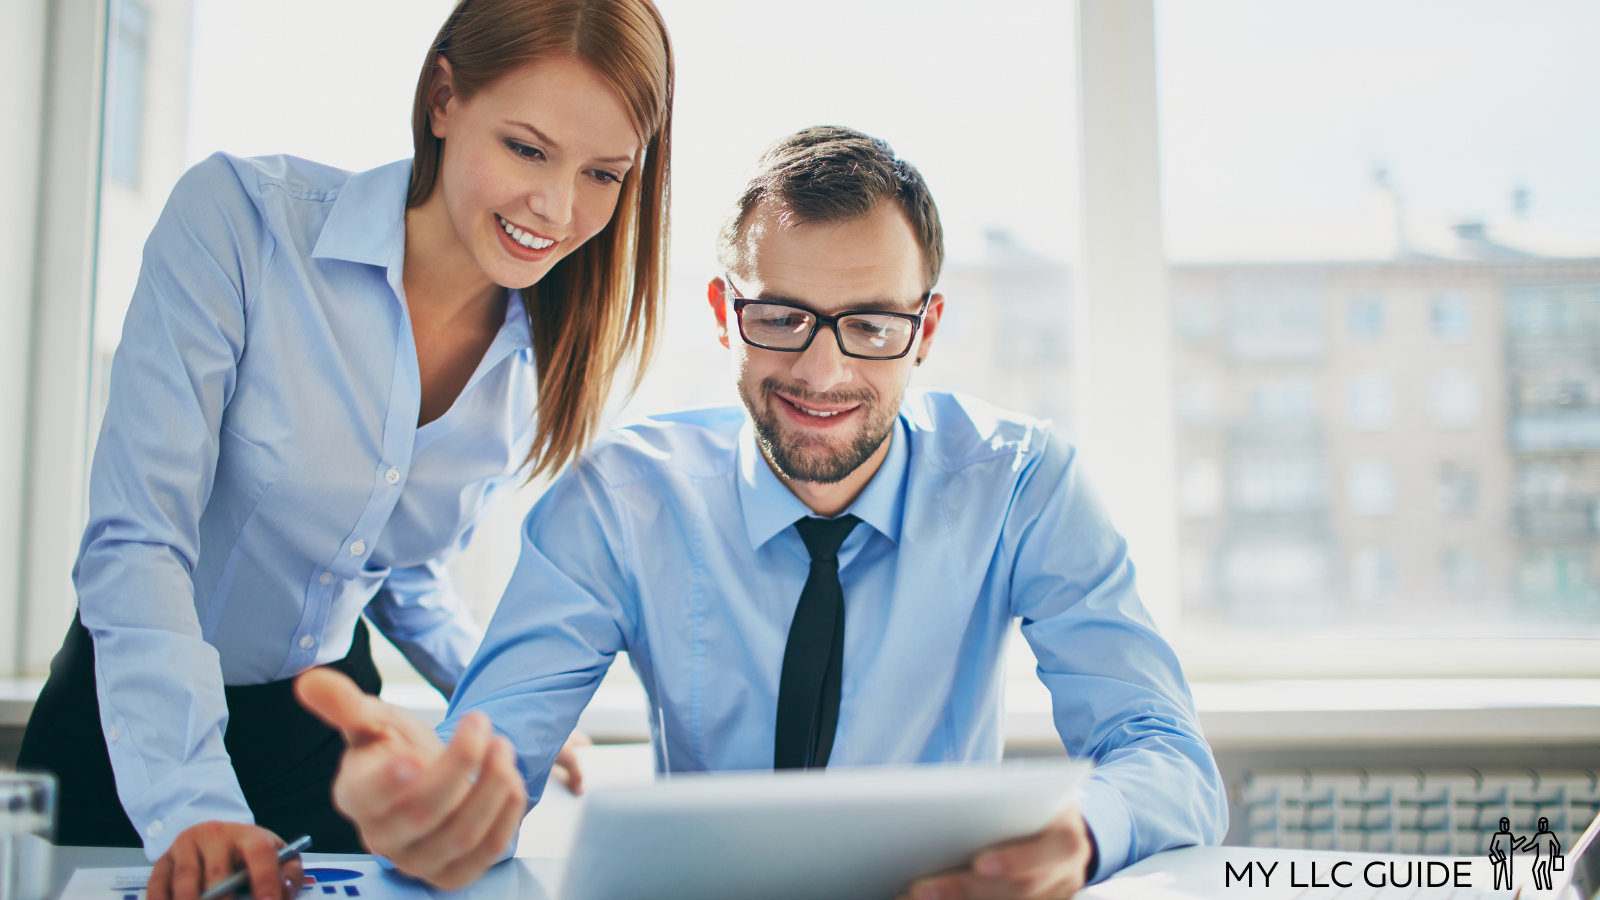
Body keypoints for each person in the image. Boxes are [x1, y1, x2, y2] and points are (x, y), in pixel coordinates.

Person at [298, 125, 1227, 898]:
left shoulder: (1022, 484)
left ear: (926, 331)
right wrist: (430, 811)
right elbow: (492, 754)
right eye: (781, 316)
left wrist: (1083, 835)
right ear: (722, 312)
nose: (822, 374)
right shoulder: (622, 501)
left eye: (870, 326)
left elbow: (1167, 757)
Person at [16, 2, 672, 899]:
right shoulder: (241, 225)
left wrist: (500, 712)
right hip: (134, 730)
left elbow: (394, 573)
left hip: (327, 742)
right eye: (527, 149)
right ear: (443, 97)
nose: (558, 210)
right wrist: (195, 805)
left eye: (603, 173)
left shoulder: (539, 348)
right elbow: (137, 542)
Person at [1524, 816, 1563, 891]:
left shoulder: (1550, 835)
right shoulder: (1538, 835)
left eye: (1543, 824)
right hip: (1540, 857)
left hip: (1547, 856)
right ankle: (1541, 886)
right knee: (1537, 870)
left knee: (1544, 871)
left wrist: (1556, 856)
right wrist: (1525, 849)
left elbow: (1556, 845)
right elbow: (1533, 844)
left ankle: (1547, 886)